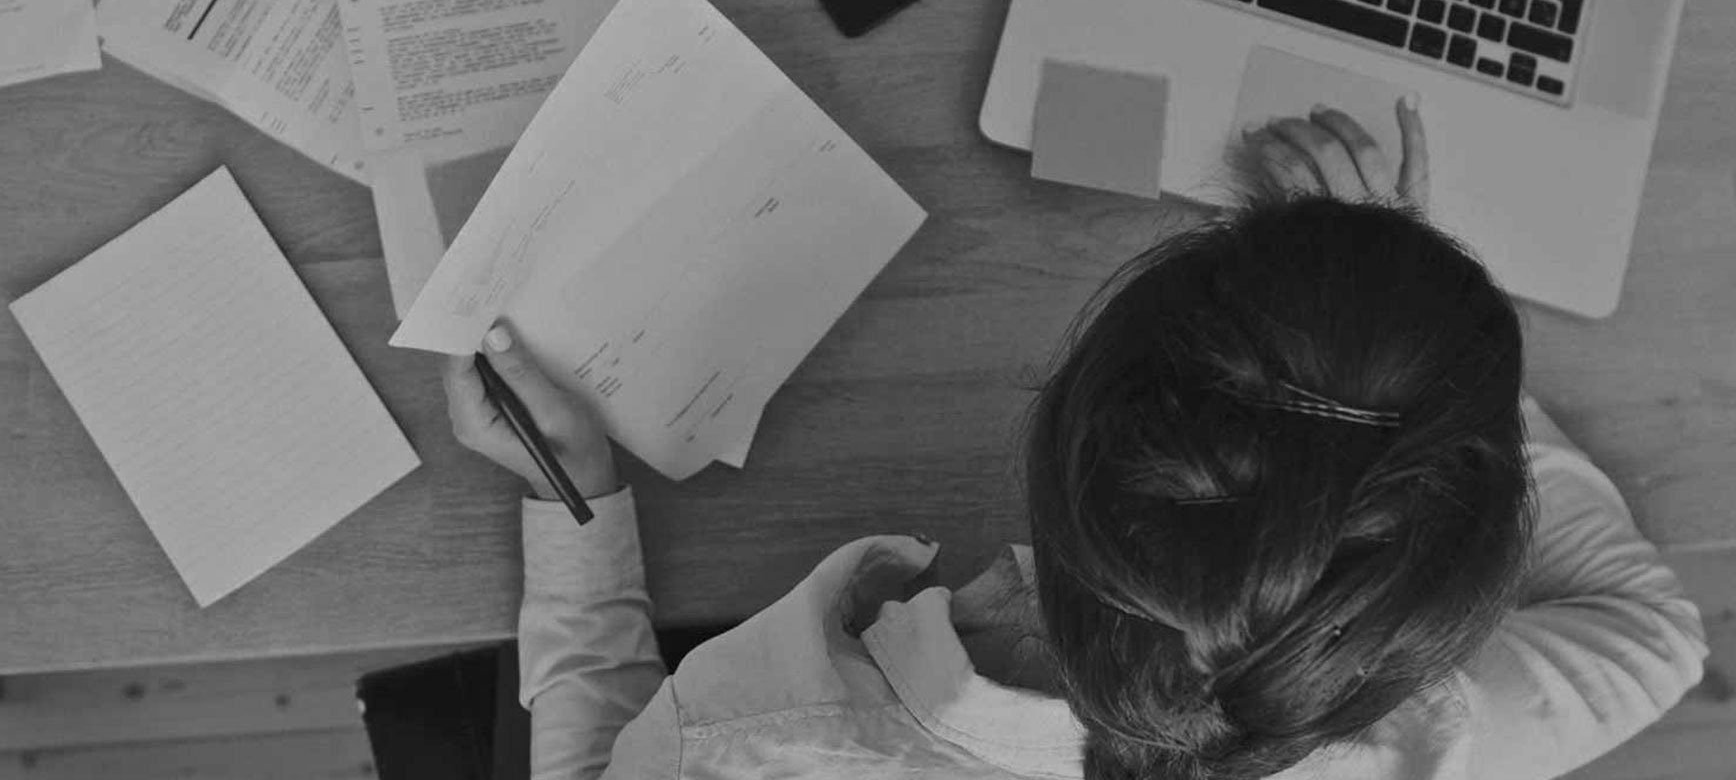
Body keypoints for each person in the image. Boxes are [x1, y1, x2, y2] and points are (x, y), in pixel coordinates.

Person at [442, 101, 1706, 780]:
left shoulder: (749, 736)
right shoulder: (1416, 745)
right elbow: (1652, 638)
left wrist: (575, 504)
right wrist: (1430, 381)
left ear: (1066, 416)